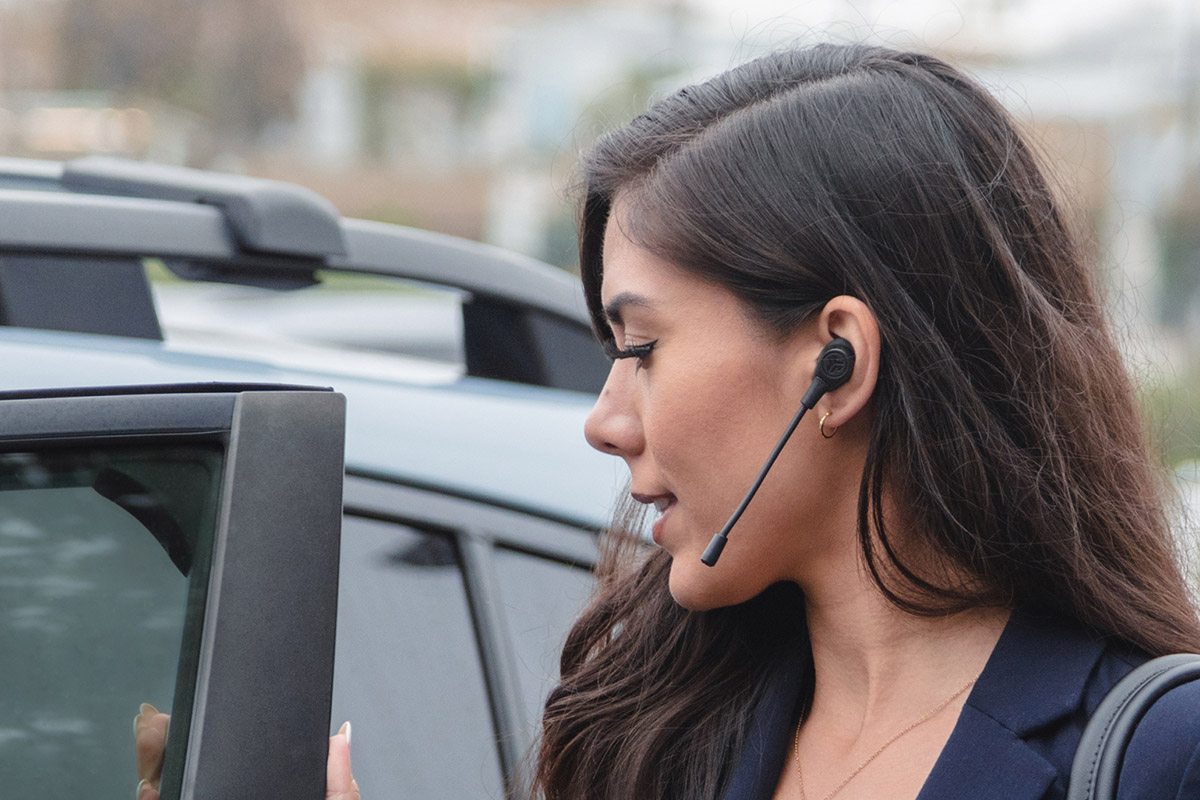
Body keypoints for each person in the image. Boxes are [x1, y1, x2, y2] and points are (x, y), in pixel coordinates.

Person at [140, 43, 1200, 800]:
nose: (604, 421)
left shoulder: (1156, 751)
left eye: (640, 348)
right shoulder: (652, 731)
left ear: (838, 361)